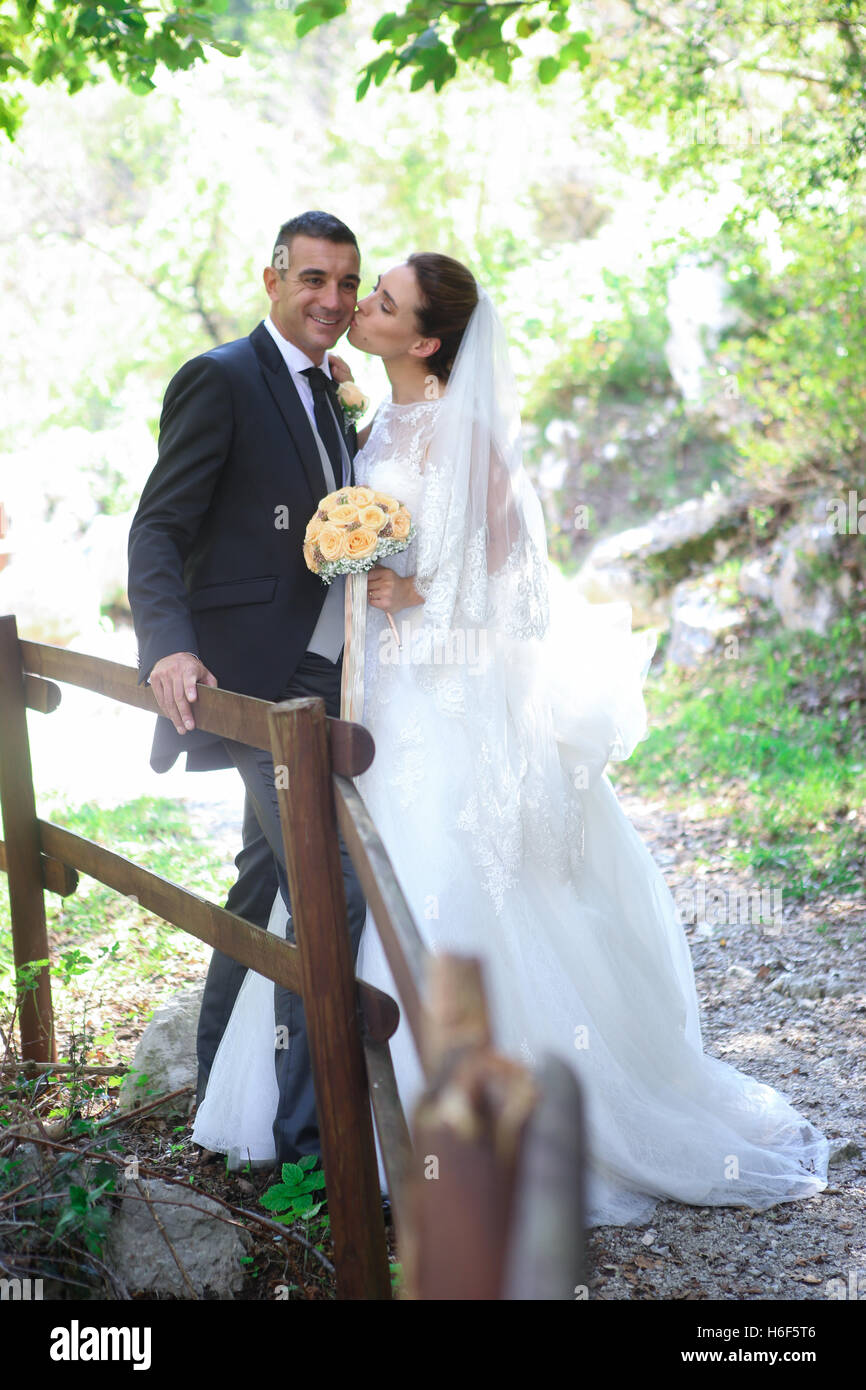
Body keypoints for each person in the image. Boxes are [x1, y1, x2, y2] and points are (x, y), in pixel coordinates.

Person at [194, 252, 831, 1227]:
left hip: (442, 717)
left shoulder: (473, 444)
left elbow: (518, 609)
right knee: (340, 883)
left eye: (383, 301)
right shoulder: (363, 417)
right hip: (368, 703)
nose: (360, 306)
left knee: (438, 889)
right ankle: (333, 1131)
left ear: (427, 340)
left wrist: (418, 599)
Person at [127, 210, 367, 1166]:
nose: (334, 302)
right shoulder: (221, 378)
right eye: (314, 280)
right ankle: (313, 1151)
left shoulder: (330, 396)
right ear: (271, 280)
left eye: (348, 285)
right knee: (331, 890)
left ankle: (217, 1081)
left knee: (262, 878)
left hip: (327, 685)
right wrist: (169, 647)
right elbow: (158, 527)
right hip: (247, 690)